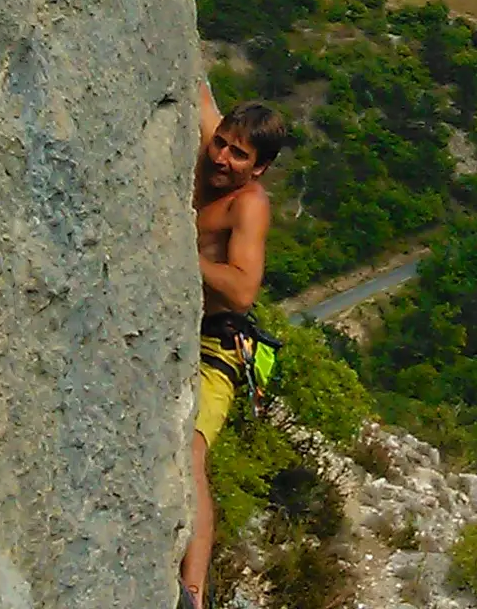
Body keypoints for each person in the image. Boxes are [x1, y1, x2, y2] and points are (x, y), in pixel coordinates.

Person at [180, 84, 287, 609]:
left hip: (216, 347)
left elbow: (243, 290)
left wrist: (177, 249)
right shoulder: (215, 148)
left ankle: (194, 594)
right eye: (220, 143)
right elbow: (198, 93)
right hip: (179, 327)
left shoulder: (249, 204)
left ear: (260, 167)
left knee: (191, 450)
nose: (221, 158)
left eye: (238, 155)